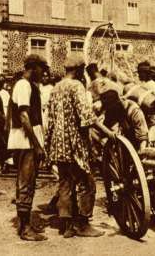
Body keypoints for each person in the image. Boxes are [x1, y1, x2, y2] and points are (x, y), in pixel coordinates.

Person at [45, 56, 104, 238]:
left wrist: (49, 146)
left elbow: (51, 119)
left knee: (65, 183)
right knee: (87, 183)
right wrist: (106, 132)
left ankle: (67, 225)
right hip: (74, 143)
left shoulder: (55, 88)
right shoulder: (76, 86)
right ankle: (83, 224)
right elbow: (86, 116)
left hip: (58, 144)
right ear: (79, 70)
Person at [7, 54, 48, 241]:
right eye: (42, 69)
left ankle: (26, 223)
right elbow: (24, 116)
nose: (43, 73)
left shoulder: (29, 86)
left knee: (28, 182)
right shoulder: (23, 85)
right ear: (34, 67)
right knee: (26, 182)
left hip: (28, 140)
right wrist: (37, 144)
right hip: (25, 142)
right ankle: (24, 228)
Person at [98, 80, 149, 154]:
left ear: (118, 103)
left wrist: (142, 152)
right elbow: (106, 128)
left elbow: (143, 136)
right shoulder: (111, 109)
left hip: (140, 137)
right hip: (127, 138)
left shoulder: (134, 111)